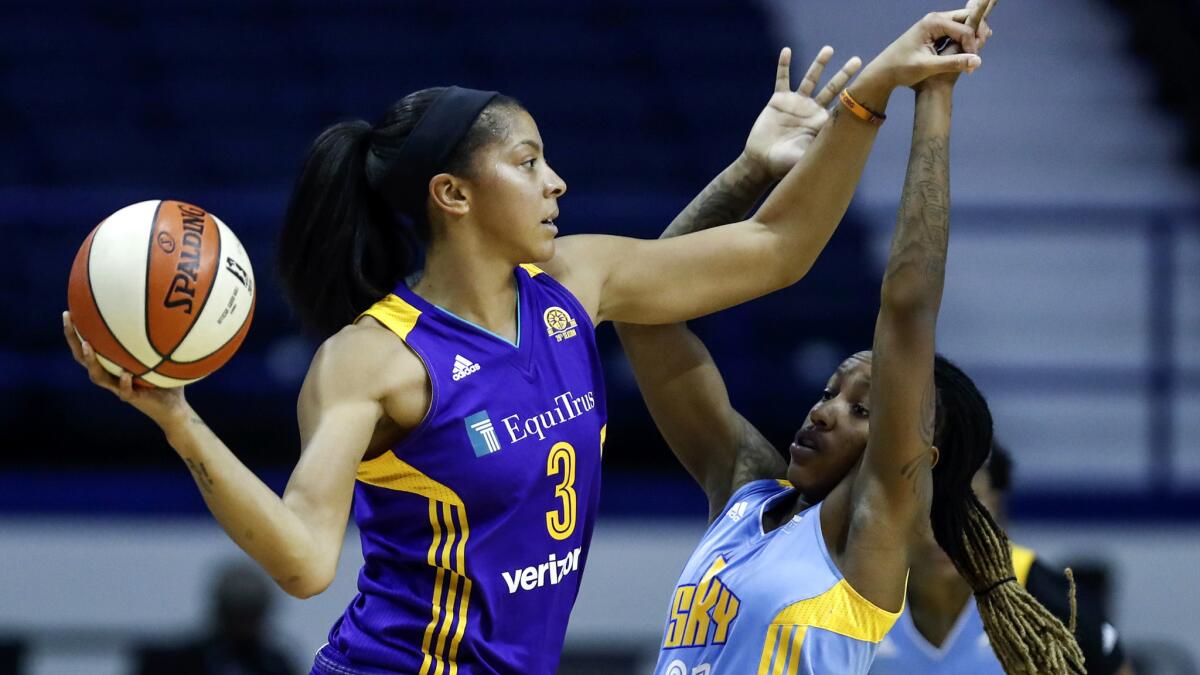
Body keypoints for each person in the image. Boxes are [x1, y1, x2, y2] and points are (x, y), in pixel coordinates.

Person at [62, 12, 983, 674]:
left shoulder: (574, 286)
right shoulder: (371, 359)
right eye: (529, 160)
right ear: (453, 196)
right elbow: (305, 560)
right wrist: (179, 421)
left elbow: (778, 250)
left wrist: (861, 100)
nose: (557, 181)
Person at [618, 2, 1086, 672]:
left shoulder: (865, 530)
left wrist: (934, 97)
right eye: (833, 391)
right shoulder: (747, 489)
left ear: (915, 449)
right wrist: (750, 173)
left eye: (863, 408)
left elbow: (907, 308)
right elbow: (645, 308)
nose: (824, 409)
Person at [870, 441, 1134, 675]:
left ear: (996, 510)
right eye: (927, 505)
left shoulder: (1044, 600)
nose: (944, 528)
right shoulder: (855, 597)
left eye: (966, 504)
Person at [133, 561, 297, 675]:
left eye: (250, 614)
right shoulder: (178, 664)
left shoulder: (276, 667)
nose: (243, 624)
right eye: (236, 613)